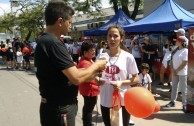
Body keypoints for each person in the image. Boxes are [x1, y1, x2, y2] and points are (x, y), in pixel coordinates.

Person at [34, 1, 107, 126]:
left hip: (55, 108)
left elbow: (70, 73)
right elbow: (76, 78)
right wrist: (97, 65)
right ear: (60, 21)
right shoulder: (53, 43)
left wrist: (93, 75)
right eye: (69, 22)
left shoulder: (47, 41)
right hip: (60, 109)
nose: (70, 26)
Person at [98, 25, 139, 126]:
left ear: (121, 38)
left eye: (115, 36)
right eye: (109, 36)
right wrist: (97, 79)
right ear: (106, 38)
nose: (112, 39)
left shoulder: (128, 57)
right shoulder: (101, 56)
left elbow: (136, 78)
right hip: (105, 99)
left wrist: (122, 83)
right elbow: (95, 75)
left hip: (123, 100)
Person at [77, 42, 100, 126]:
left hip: (90, 89)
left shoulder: (89, 60)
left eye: (94, 49)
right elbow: (88, 77)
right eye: (91, 50)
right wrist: (98, 79)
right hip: (89, 90)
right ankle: (87, 123)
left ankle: (87, 122)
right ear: (85, 52)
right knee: (89, 108)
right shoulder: (85, 63)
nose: (94, 51)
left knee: (88, 107)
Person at [165, 36, 188, 113]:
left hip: (182, 73)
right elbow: (171, 60)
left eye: (177, 41)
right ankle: (172, 101)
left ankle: (184, 104)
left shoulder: (185, 51)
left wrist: (176, 70)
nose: (175, 42)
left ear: (181, 42)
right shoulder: (175, 50)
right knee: (174, 87)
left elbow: (185, 62)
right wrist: (172, 69)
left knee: (184, 89)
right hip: (175, 72)